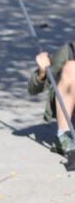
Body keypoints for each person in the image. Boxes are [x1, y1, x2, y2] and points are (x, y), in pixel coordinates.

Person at [28, 40, 75, 169]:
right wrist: (42, 71)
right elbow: (33, 89)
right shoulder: (69, 50)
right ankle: (65, 138)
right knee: (72, 68)